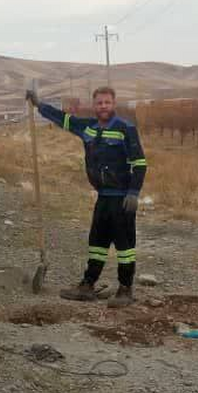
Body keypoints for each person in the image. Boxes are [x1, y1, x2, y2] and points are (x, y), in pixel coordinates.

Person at [26, 86, 147, 308]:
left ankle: (125, 289)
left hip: (122, 199)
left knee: (125, 246)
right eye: (99, 103)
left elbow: (139, 163)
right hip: (102, 197)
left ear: (114, 103)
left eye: (107, 103)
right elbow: (63, 119)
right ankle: (87, 286)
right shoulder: (88, 128)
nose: (103, 106)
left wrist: (133, 193)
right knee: (97, 243)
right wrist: (39, 105)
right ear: (94, 105)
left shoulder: (125, 128)